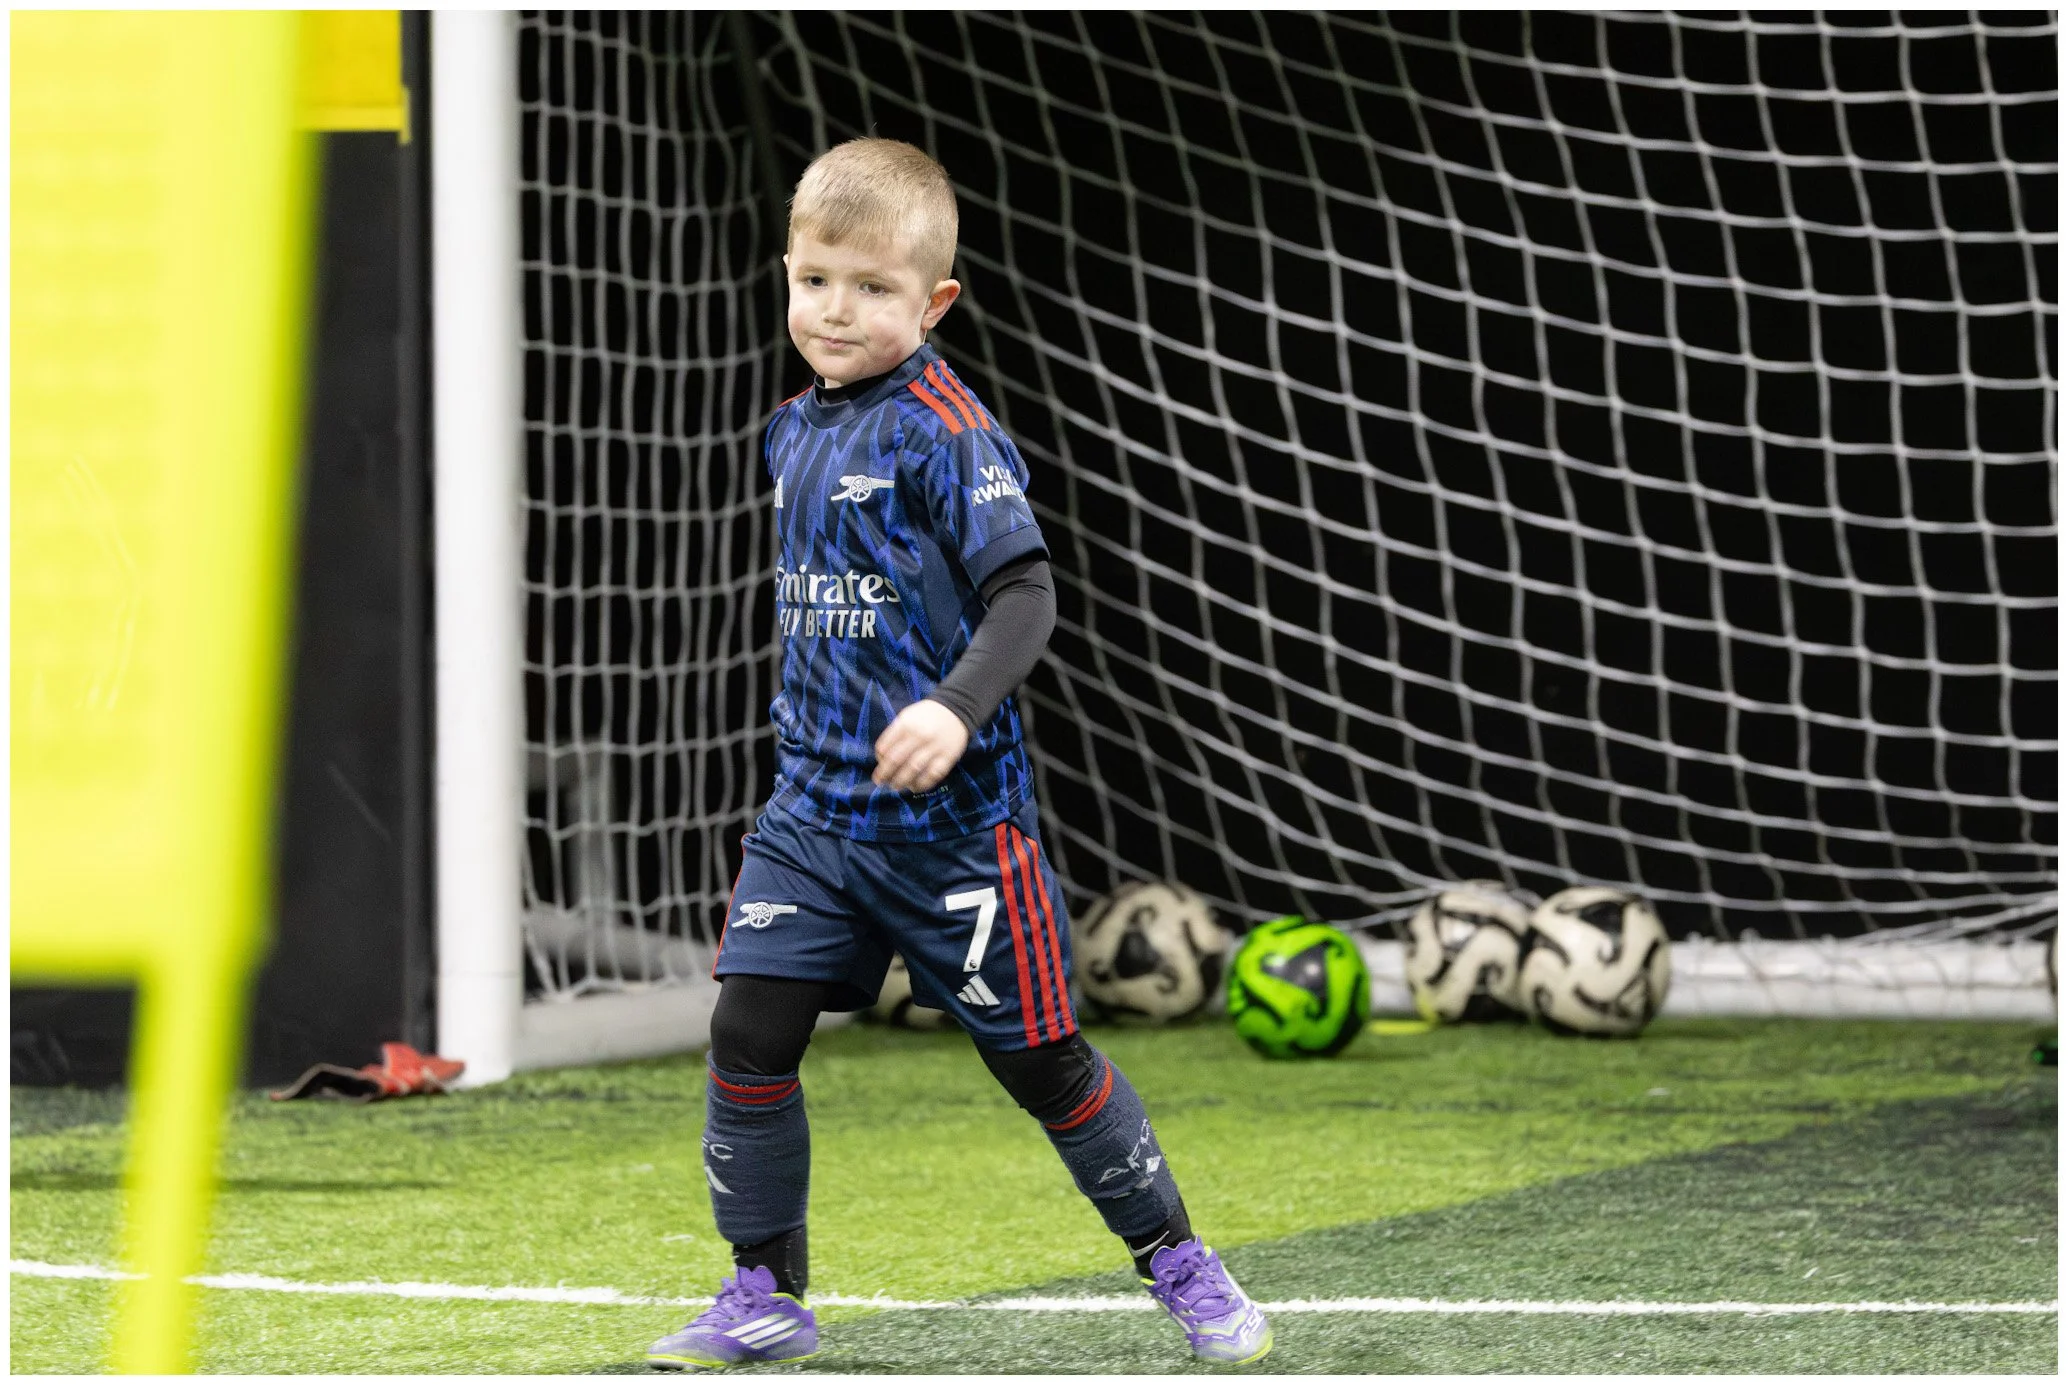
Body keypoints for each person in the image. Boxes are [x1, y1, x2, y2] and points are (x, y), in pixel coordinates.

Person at [644, 138, 1272, 1371]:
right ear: (785, 271)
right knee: (748, 1038)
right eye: (817, 278)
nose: (837, 309)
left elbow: (1025, 595)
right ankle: (766, 1288)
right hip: (812, 818)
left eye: (873, 288)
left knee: (1042, 1062)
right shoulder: (787, 431)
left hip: (954, 833)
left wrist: (952, 706)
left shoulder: (947, 431)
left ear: (932, 303)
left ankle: (1180, 1262)